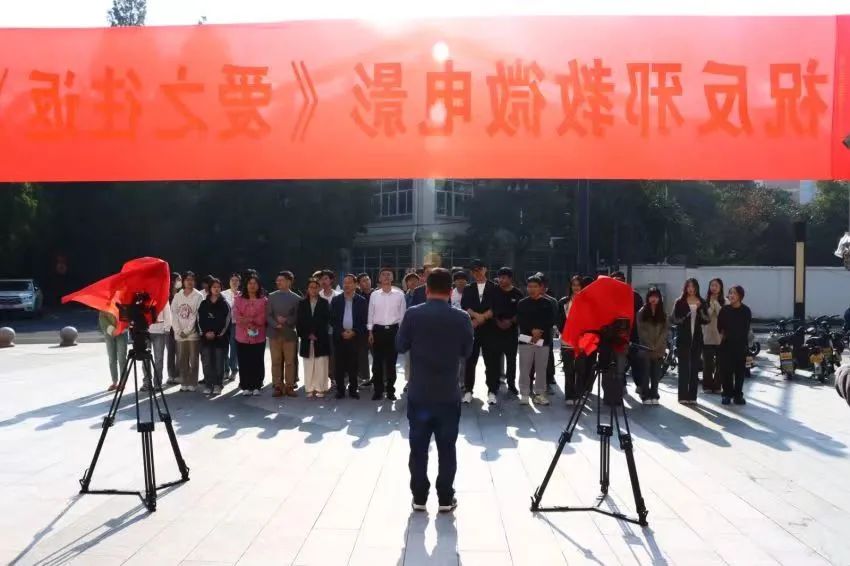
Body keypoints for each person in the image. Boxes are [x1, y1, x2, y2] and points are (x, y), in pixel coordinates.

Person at [396, 268, 473, 513]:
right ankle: (445, 498)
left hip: (420, 392)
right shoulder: (461, 317)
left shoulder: (413, 314)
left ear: (426, 289)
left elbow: (400, 345)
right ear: (450, 290)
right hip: (448, 393)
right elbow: (467, 351)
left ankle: (419, 497)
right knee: (447, 448)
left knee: (418, 448)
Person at [461, 259, 499, 405]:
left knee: (491, 362)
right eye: (473, 271)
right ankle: (468, 390)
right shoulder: (468, 288)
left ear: (485, 269)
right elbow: (465, 305)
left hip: (490, 330)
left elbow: (496, 306)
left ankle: (492, 391)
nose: (476, 273)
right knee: (470, 361)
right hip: (473, 329)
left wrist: (483, 317)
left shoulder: (494, 287)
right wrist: (476, 317)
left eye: (479, 269)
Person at [367, 267, 407, 401]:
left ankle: (390, 390)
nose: (386, 277)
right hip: (377, 331)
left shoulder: (399, 294)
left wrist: (401, 333)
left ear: (392, 277)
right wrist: (370, 332)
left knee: (391, 363)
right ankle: (378, 391)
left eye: (388, 274)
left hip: (393, 331)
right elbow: (370, 314)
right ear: (379, 278)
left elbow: (402, 316)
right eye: (383, 274)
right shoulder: (374, 295)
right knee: (377, 363)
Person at [516, 275, 555, 406]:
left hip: (543, 340)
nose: (532, 289)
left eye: (535, 286)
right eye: (530, 286)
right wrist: (532, 330)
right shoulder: (522, 303)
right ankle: (524, 393)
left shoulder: (547, 303)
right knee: (524, 368)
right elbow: (521, 320)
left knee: (541, 369)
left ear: (541, 288)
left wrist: (539, 331)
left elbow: (550, 320)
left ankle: (540, 394)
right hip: (526, 339)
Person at [671, 278, 709, 404]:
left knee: (694, 368)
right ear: (685, 288)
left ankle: (692, 396)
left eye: (693, 286)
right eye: (689, 286)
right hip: (683, 338)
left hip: (697, 339)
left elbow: (707, 320)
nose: (691, 289)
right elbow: (674, 319)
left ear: (697, 288)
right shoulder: (680, 301)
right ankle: (682, 396)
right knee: (683, 368)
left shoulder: (701, 301)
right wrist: (688, 313)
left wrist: (700, 310)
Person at [331, 274, 368, 399]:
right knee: (339, 365)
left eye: (349, 282)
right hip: (339, 337)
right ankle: (340, 390)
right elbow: (332, 320)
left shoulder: (361, 301)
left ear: (356, 285)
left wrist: (354, 331)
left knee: (354, 365)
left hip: (355, 337)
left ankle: (353, 389)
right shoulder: (336, 300)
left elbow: (363, 321)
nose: (346, 285)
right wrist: (341, 331)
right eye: (345, 282)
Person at [266, 271, 300, 398]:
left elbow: (297, 316)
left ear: (289, 282)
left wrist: (287, 320)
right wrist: (276, 324)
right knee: (276, 361)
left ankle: (290, 386)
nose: (278, 282)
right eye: (277, 280)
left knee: (290, 361)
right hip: (274, 333)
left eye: (281, 280)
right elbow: (268, 315)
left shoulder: (296, 298)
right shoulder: (271, 296)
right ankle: (277, 386)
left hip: (289, 333)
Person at [233, 273, 268, 396]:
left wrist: (254, 322)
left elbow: (264, 315)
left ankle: (257, 385)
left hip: (259, 336)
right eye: (250, 283)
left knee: (257, 360)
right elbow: (236, 315)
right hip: (242, 336)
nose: (252, 286)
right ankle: (245, 385)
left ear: (259, 285)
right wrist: (249, 322)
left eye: (255, 283)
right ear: (246, 285)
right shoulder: (238, 299)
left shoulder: (264, 300)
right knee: (244, 361)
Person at [297, 278, 332, 398]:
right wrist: (308, 334)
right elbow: (299, 322)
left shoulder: (324, 303)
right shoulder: (302, 303)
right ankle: (309, 388)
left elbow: (326, 321)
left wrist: (316, 333)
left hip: (321, 338)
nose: (313, 289)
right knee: (308, 364)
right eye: (311, 287)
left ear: (319, 289)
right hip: (306, 338)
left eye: (316, 287)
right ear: (307, 289)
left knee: (321, 364)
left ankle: (321, 388)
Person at [492, 267, 524, 396]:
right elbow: (490, 308)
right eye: (500, 277)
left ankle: (511, 384)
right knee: (494, 359)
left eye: (504, 277)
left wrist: (510, 321)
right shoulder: (494, 291)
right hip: (495, 329)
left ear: (510, 279)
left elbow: (521, 311)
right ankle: (494, 384)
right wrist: (498, 321)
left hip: (511, 331)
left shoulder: (517, 293)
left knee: (511, 360)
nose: (501, 280)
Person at [718, 285, 752, 406]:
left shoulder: (746, 311)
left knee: (739, 372)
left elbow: (746, 329)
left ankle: (738, 395)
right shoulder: (724, 310)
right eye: (730, 293)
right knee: (726, 372)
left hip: (740, 346)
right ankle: (726, 394)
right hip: (726, 345)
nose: (731, 295)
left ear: (740, 296)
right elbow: (719, 327)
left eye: (734, 293)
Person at [611, 271, 644, 391]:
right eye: (615, 280)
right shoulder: (609, 297)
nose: (618, 283)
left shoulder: (635, 296)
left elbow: (641, 315)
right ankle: (622, 385)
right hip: (616, 335)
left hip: (633, 333)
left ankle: (639, 385)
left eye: (620, 280)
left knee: (635, 361)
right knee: (619, 362)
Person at [171, 271, 204, 392]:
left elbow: (196, 315)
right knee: (182, 359)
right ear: (183, 281)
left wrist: (187, 330)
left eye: (192, 279)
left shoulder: (198, 296)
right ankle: (184, 382)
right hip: (179, 333)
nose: (190, 282)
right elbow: (173, 313)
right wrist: (178, 330)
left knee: (193, 359)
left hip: (192, 334)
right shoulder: (177, 296)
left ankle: (193, 382)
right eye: (187, 279)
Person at [198, 277, 231, 396]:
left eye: (218, 287)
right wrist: (205, 333)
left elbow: (227, 322)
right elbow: (199, 320)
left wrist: (217, 334)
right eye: (214, 287)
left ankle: (218, 384)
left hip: (220, 339)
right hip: (205, 338)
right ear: (210, 288)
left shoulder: (225, 304)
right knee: (207, 362)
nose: (216, 289)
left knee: (219, 363)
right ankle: (208, 384)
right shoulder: (203, 304)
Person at [637, 287, 668, 405]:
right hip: (645, 348)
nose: (653, 299)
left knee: (656, 374)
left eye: (656, 296)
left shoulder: (663, 313)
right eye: (651, 296)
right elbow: (641, 331)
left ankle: (654, 394)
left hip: (659, 348)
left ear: (659, 298)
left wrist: (658, 344)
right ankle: (645, 395)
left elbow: (665, 331)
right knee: (645, 372)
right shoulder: (642, 312)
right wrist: (650, 345)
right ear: (648, 298)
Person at [558, 275, 584, 405]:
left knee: (581, 369)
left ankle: (578, 395)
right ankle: (569, 395)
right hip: (567, 339)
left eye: (578, 285)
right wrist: (564, 332)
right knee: (568, 369)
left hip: (582, 340)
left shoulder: (588, 302)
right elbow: (559, 320)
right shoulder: (564, 301)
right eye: (574, 285)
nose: (576, 287)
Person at [702, 278, 725, 394]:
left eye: (716, 286)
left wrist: (716, 303)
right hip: (707, 337)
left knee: (720, 363)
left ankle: (717, 386)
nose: (714, 288)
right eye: (712, 285)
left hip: (720, 337)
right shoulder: (704, 301)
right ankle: (707, 386)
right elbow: (706, 317)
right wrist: (711, 304)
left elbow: (723, 316)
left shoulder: (725, 301)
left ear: (720, 288)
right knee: (707, 364)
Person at [316, 269, 339, 383]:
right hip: (320, 332)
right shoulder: (317, 296)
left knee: (333, 355)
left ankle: (333, 376)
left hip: (334, 331)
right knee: (321, 356)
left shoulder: (338, 296)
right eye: (321, 279)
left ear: (331, 280)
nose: (323, 281)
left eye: (326, 278)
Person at [147, 297, 173, 390]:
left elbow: (167, 312)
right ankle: (146, 383)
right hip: (145, 331)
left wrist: (167, 328)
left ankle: (157, 383)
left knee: (159, 359)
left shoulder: (162, 295)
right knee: (145, 359)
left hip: (159, 331)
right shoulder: (143, 294)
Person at [98, 311, 128, 392]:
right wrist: (112, 330)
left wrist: (120, 329)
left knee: (122, 359)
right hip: (109, 334)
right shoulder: (104, 306)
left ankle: (122, 383)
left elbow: (127, 317)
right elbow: (102, 318)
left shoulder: (123, 305)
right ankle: (114, 382)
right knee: (112, 359)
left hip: (122, 332)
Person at [221, 272, 241, 381]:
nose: (234, 282)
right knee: (224, 347)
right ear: (229, 282)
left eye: (236, 280)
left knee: (234, 348)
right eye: (232, 280)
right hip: (224, 324)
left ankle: (234, 369)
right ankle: (225, 369)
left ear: (239, 283)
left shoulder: (242, 295)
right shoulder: (223, 294)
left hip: (236, 324)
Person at [355, 273, 373, 388]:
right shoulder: (357, 297)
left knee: (377, 355)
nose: (367, 282)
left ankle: (380, 378)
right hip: (362, 330)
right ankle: (364, 377)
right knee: (362, 355)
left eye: (368, 279)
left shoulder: (377, 294)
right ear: (359, 284)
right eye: (364, 281)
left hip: (375, 330)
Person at [165, 271, 182, 386]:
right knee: (170, 352)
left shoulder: (182, 294)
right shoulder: (166, 295)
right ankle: (171, 375)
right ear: (173, 281)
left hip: (180, 327)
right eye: (178, 279)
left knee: (180, 353)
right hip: (169, 328)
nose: (180, 282)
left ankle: (179, 375)